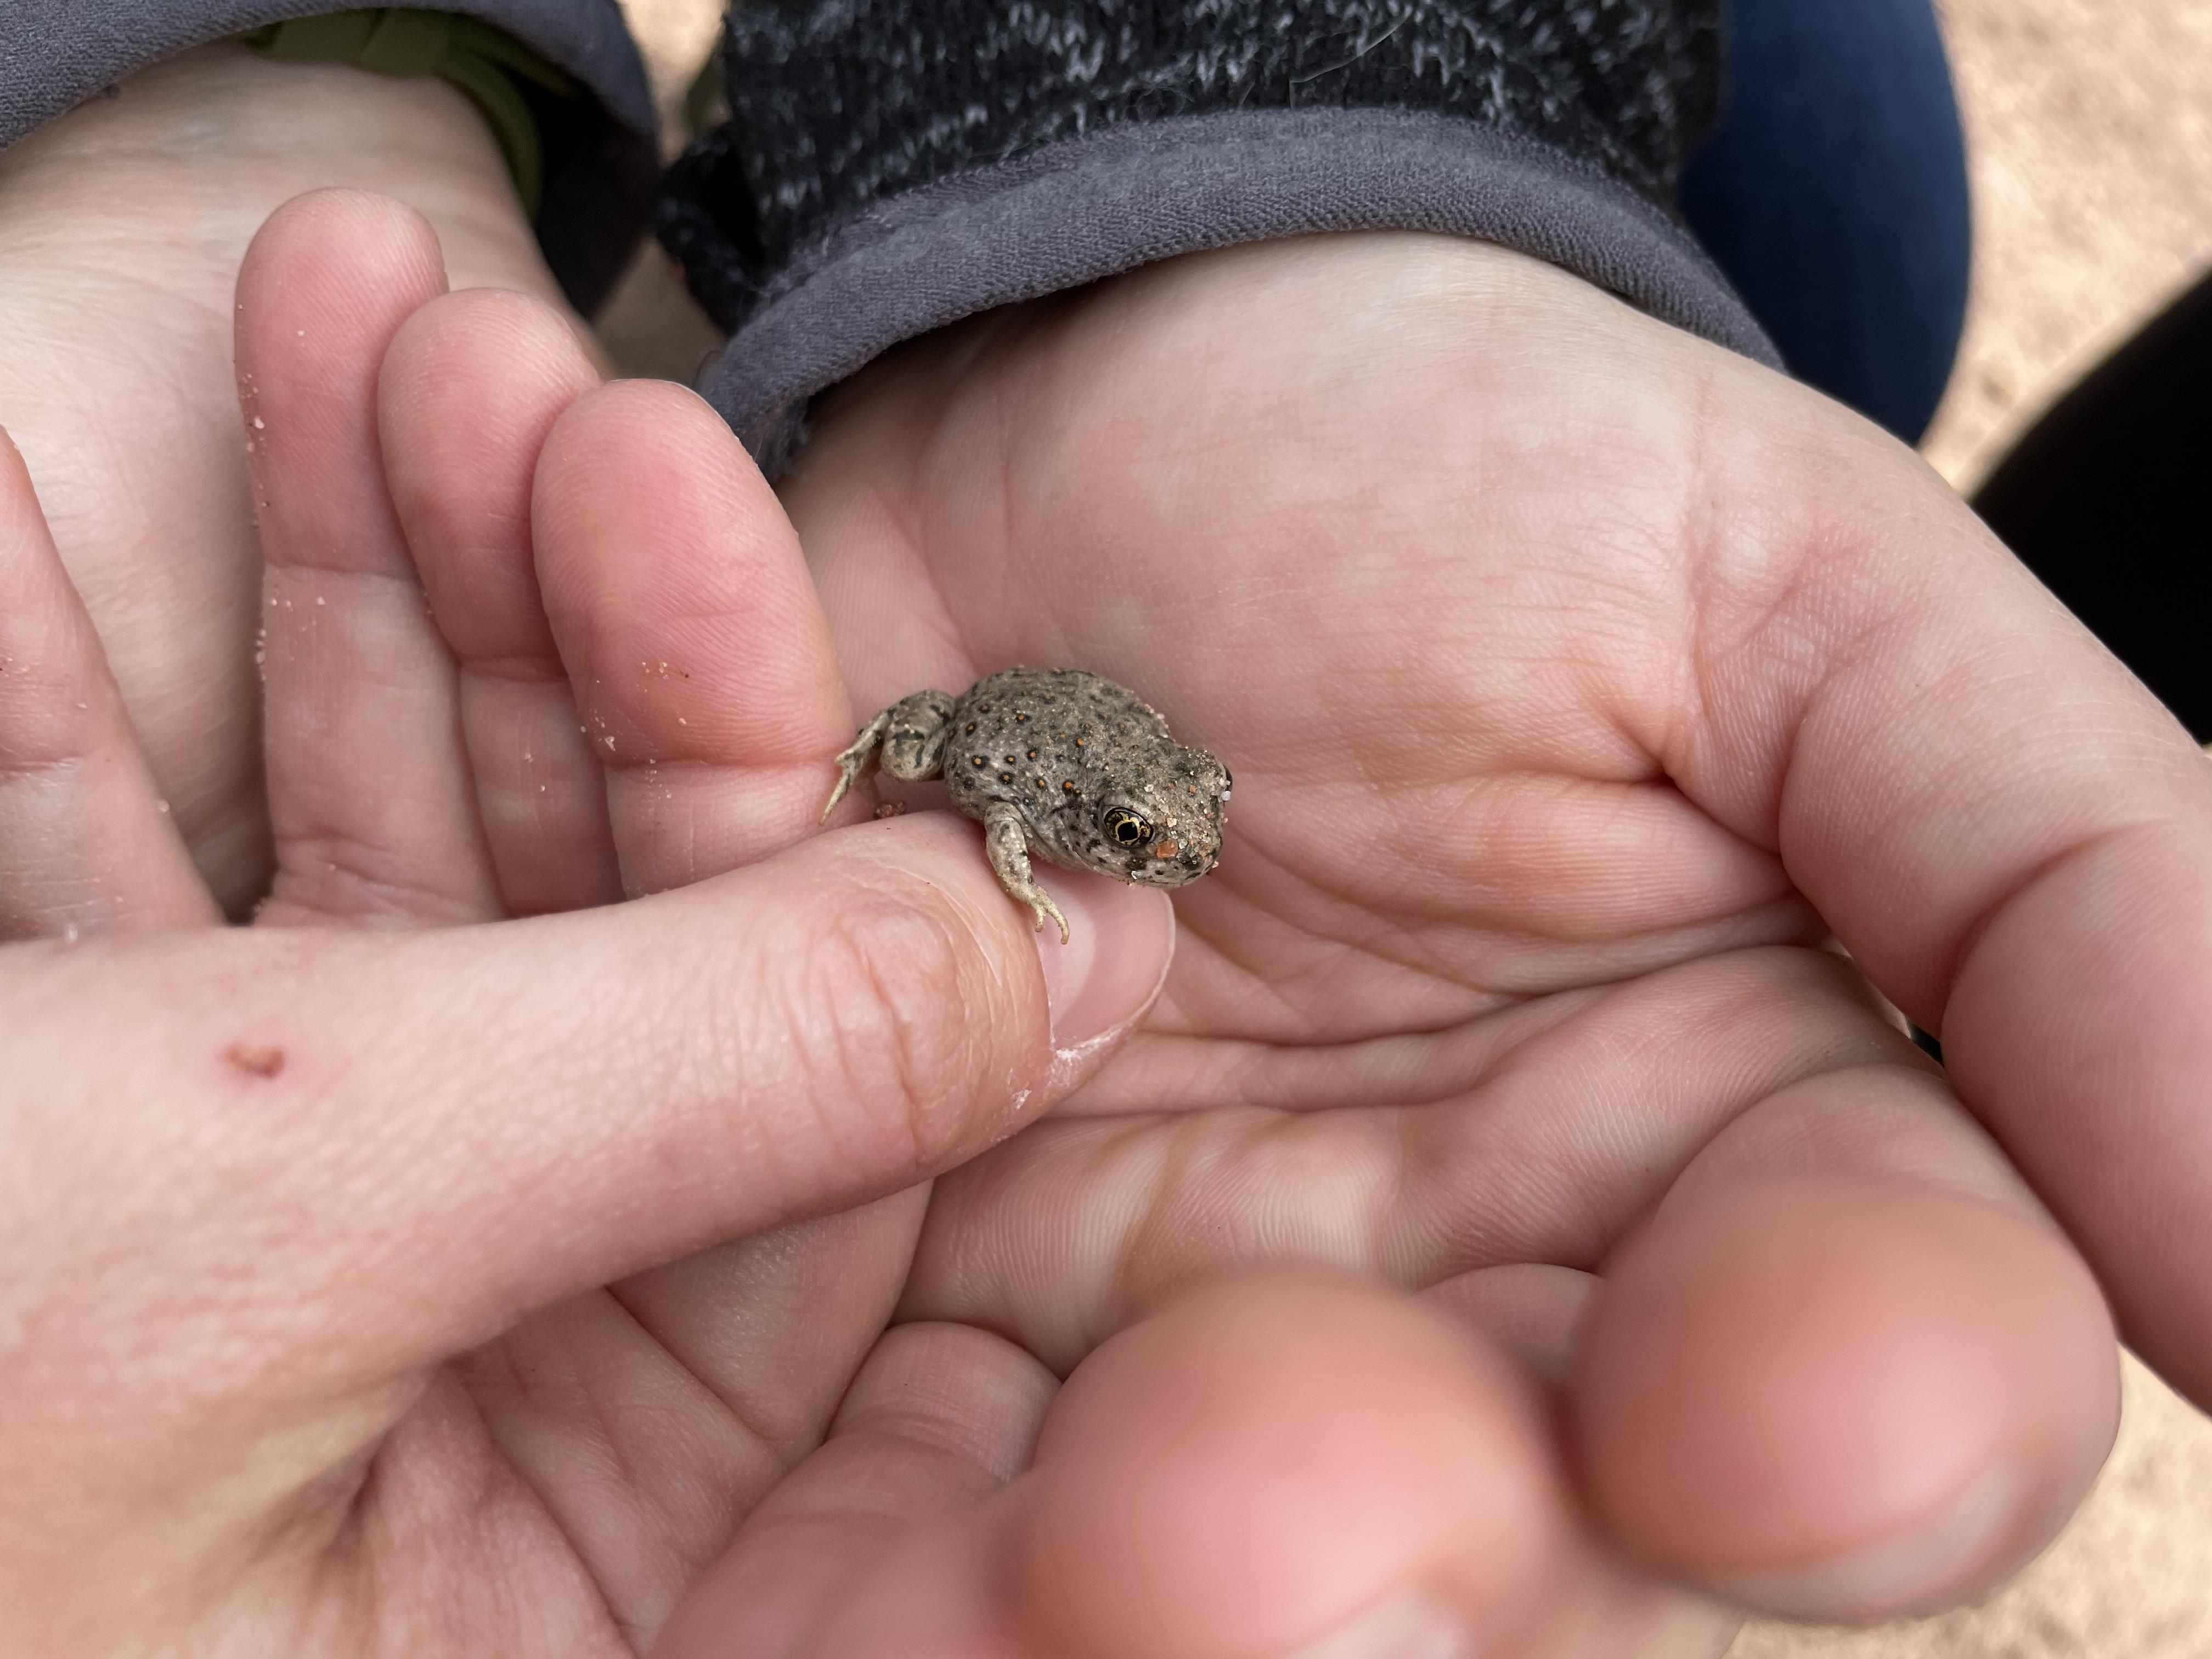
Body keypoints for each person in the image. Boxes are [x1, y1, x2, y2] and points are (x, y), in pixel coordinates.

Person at [2, 8, 2208, 1659]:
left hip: (959, 510)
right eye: (1163, 842)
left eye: (1176, 836)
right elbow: (1012, 795)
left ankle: (764, 330)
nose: (1178, 854)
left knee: (1853, 234)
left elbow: (1150, 778)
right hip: (930, 699)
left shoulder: (1154, 804)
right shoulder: (1060, 818)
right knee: (1851, 218)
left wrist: (1181, 214)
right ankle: (735, 347)